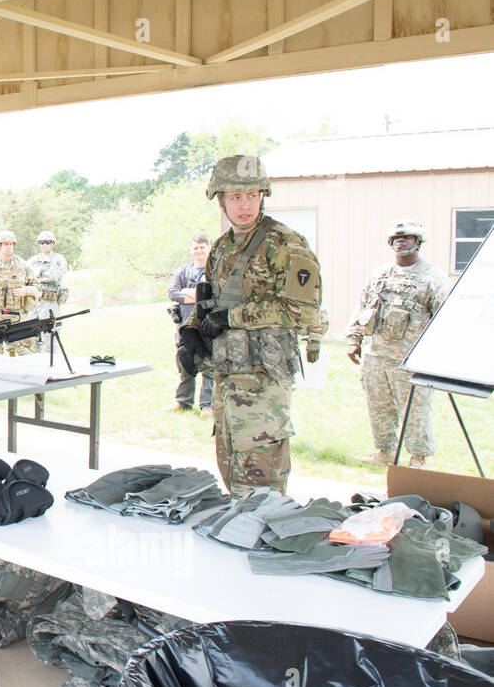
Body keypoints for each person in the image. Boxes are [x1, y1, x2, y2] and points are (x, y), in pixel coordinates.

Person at [179, 156, 323, 498]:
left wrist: (233, 318)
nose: (245, 205)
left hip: (264, 386)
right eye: (235, 198)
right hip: (228, 381)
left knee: (262, 493)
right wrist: (191, 330)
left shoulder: (285, 243)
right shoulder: (222, 248)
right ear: (221, 200)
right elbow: (210, 304)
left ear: (263, 195)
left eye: (252, 196)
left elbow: (303, 311)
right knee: (232, 480)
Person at [345, 220, 451, 469]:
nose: (401, 241)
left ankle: (417, 458)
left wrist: (434, 357)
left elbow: (442, 319)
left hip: (411, 359)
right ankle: (385, 451)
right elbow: (362, 307)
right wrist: (353, 339)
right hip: (376, 356)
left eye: (407, 237)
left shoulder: (432, 277)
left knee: (416, 410)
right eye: (396, 238)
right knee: (379, 406)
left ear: (419, 242)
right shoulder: (379, 274)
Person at [0, 229, 41, 355]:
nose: (9, 247)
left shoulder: (23, 265)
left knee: (20, 352)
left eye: (11, 244)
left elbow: (37, 288)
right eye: (5, 244)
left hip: (17, 317)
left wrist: (26, 290)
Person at [166, 234, 213, 414]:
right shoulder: (183, 272)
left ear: (209, 248)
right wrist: (198, 295)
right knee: (184, 362)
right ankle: (183, 402)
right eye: (195, 247)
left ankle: (207, 405)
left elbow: (213, 295)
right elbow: (173, 293)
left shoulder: (213, 272)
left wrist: (189, 294)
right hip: (184, 326)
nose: (198, 251)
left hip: (207, 325)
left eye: (202, 247)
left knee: (209, 364)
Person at [27, 231, 69, 319]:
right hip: (35, 301)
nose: (44, 245)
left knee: (52, 327)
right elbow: (27, 277)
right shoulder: (33, 260)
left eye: (47, 242)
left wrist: (37, 278)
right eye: (42, 242)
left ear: (53, 244)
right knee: (31, 327)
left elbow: (54, 276)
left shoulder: (59, 259)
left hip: (51, 301)